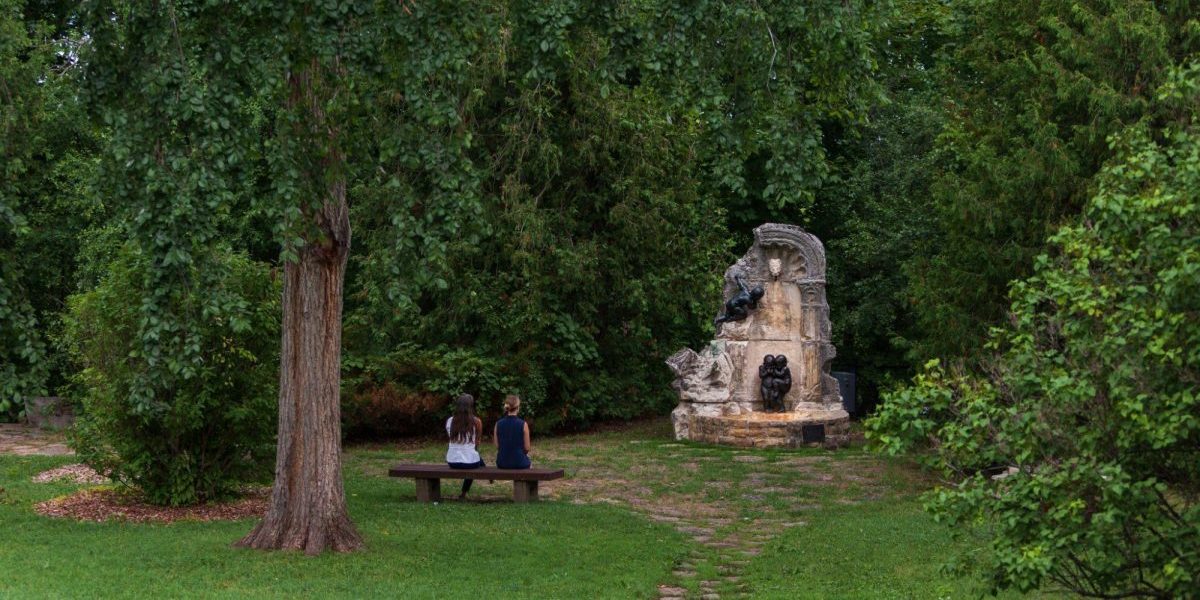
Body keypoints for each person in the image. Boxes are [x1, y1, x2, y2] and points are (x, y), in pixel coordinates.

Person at [446, 393, 484, 499]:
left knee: (474, 457)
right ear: (471, 406)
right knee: (475, 458)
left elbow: (451, 439)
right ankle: (464, 492)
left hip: (452, 461)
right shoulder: (476, 422)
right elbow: (477, 443)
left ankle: (463, 493)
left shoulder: (450, 421)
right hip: (470, 462)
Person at [494, 394, 532, 470]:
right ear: (518, 408)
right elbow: (527, 448)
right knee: (529, 462)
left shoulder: (498, 424)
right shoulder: (523, 424)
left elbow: (497, 446)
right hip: (519, 462)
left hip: (502, 462)